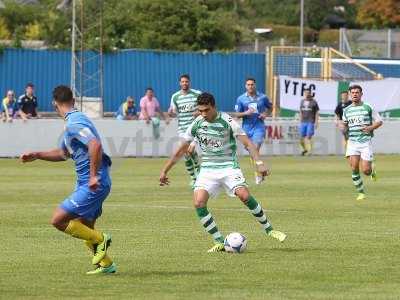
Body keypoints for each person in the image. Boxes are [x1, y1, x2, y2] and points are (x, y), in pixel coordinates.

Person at [160, 92, 286, 253]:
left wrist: (259, 163)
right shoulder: (197, 123)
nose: (203, 114)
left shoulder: (227, 121)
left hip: (229, 167)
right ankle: (219, 240)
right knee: (198, 202)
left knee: (244, 196)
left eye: (206, 110)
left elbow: (248, 143)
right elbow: (181, 150)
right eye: (200, 110)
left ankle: (269, 230)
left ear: (214, 107)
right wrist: (165, 171)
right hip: (208, 169)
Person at [20, 85, 116, 275]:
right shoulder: (73, 123)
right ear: (73, 100)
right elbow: (63, 153)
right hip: (93, 182)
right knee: (83, 225)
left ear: (54, 104)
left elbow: (95, 145)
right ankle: (107, 265)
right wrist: (38, 154)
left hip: (93, 182)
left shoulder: (74, 123)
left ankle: (101, 239)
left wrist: (93, 176)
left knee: (58, 220)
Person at [341, 85, 383, 201]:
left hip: (365, 142)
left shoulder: (368, 107)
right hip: (352, 142)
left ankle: (371, 170)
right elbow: (345, 125)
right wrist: (342, 127)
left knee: (365, 171)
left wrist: (370, 128)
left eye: (357, 92)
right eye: (353, 92)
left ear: (361, 94)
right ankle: (361, 193)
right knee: (354, 167)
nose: (355, 94)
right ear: (350, 94)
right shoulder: (346, 110)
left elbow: (379, 121)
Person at [234, 78, 272, 184]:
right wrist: (245, 113)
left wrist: (265, 114)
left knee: (255, 148)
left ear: (255, 85)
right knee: (252, 152)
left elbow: (270, 108)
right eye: (248, 84)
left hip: (258, 126)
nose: (250, 86)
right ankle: (260, 172)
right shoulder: (241, 99)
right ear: (246, 86)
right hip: (246, 128)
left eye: (252, 84)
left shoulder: (263, 97)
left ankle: (258, 175)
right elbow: (236, 114)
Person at [169, 74, 201, 187]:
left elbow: (206, 107)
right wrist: (171, 113)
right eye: (182, 82)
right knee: (186, 153)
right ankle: (194, 177)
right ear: (179, 83)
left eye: (186, 81)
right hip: (182, 129)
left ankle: (198, 173)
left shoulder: (197, 94)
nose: (184, 83)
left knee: (190, 150)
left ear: (189, 82)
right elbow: (173, 111)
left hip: (195, 128)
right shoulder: (175, 97)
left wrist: (199, 112)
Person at [299, 88, 319, 156]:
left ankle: (310, 151)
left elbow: (317, 112)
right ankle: (305, 149)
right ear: (304, 93)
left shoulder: (314, 102)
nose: (307, 94)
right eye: (305, 93)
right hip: (303, 122)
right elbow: (300, 111)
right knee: (301, 138)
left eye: (308, 93)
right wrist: (300, 120)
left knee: (309, 136)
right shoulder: (302, 101)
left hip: (310, 121)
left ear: (310, 93)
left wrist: (316, 122)